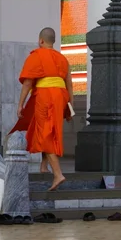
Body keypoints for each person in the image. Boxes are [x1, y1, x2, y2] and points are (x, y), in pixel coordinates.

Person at [9, 27, 74, 191]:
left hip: (45, 96)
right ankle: (44, 166)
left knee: (44, 133)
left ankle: (58, 174)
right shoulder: (62, 59)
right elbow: (69, 84)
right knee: (50, 130)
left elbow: (28, 83)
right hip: (61, 97)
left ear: (41, 41)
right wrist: (70, 107)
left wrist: (20, 104)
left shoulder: (36, 56)